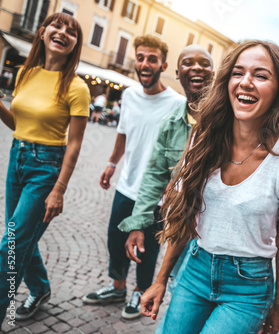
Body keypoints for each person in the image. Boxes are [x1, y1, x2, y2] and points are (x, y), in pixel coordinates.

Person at [140, 40, 279, 334]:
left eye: (260, 75)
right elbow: (184, 216)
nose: (246, 83)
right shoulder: (202, 139)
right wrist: (160, 279)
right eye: (238, 72)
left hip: (248, 286)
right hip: (195, 269)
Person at [82, 34, 186, 320]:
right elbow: (123, 134)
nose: (145, 63)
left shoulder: (177, 104)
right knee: (115, 240)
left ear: (163, 65)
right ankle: (117, 287)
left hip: (156, 194)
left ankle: (140, 291)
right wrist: (111, 163)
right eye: (140, 57)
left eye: (152, 58)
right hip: (126, 186)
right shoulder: (128, 95)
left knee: (147, 247)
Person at [0, 13, 90, 321]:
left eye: (72, 31)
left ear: (75, 45)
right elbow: (18, 123)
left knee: (10, 245)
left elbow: (75, 143)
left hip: (45, 168)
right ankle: (40, 289)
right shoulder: (26, 73)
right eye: (57, 25)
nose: (63, 32)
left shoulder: (77, 87)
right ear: (43, 32)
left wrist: (59, 190)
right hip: (18, 159)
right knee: (22, 237)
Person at [118, 45, 213, 322]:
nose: (196, 67)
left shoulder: (228, 119)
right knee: (177, 287)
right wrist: (138, 222)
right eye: (188, 63)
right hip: (184, 229)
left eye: (204, 63)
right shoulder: (171, 123)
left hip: (217, 236)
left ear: (214, 71)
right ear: (177, 72)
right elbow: (154, 175)